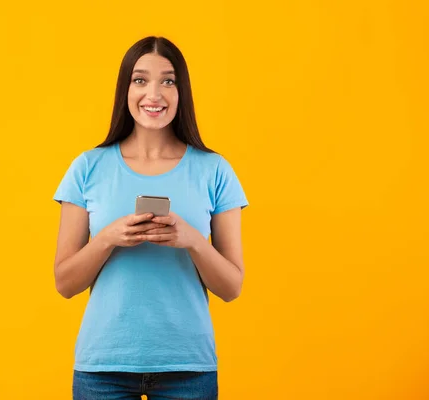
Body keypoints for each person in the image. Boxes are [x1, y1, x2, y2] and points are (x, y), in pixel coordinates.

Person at [53, 36, 249, 400]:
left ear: (182, 91)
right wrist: (109, 238)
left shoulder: (215, 170)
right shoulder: (87, 168)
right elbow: (65, 284)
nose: (154, 94)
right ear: (125, 89)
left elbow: (231, 288)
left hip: (188, 367)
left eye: (168, 81)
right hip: (103, 367)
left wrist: (191, 240)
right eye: (140, 80)